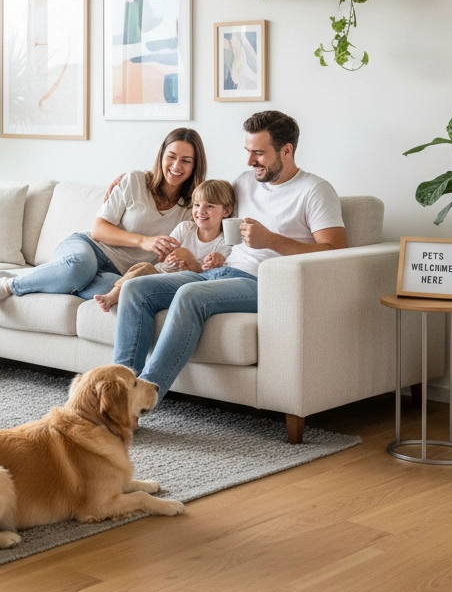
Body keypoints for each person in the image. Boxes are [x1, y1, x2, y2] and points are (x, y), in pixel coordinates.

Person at [112, 110, 347, 389]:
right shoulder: (245, 182)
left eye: (259, 153)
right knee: (135, 289)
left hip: (265, 284)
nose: (250, 161)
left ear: (286, 150)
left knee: (190, 294)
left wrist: (271, 240)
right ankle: (119, 389)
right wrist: (135, 180)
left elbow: (336, 252)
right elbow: (206, 201)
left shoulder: (315, 190)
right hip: (222, 274)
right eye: (248, 151)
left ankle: (144, 398)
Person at [0, 128, 207, 313]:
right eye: (171, 156)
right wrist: (143, 241)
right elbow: (99, 230)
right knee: (80, 267)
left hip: (121, 273)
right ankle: (9, 286)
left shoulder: (194, 207)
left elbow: (215, 214)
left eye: (186, 160)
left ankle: (48, 277)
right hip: (89, 248)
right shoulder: (134, 181)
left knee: (122, 291)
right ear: (161, 156)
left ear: (195, 165)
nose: (176, 166)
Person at [94, 178, 234, 312]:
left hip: (180, 285)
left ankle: (119, 293)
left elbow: (207, 281)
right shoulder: (185, 228)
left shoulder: (224, 244)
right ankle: (114, 294)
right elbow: (162, 259)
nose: (200, 211)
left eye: (209, 206)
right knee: (143, 267)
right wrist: (172, 258)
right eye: (197, 205)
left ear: (226, 211)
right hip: (161, 274)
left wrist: (191, 261)